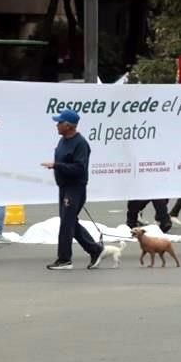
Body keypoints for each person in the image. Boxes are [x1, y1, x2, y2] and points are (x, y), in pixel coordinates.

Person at [41, 108, 104, 270]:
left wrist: (57, 165)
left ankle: (64, 259)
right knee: (69, 222)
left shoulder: (80, 144)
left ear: (69, 126)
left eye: (60, 122)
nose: (57, 125)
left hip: (75, 188)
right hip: (64, 187)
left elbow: (79, 168)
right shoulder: (62, 141)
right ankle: (95, 249)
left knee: (67, 224)